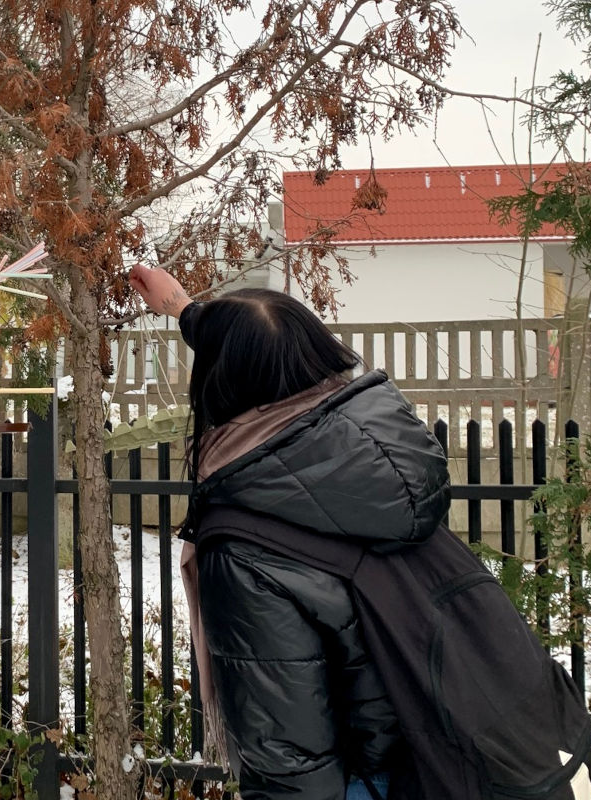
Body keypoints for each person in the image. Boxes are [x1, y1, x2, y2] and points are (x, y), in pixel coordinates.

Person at [128, 265, 451, 800]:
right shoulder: (385, 468)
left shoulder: (246, 546)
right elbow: (263, 357)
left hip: (362, 783)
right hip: (438, 759)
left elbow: (290, 766)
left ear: (222, 385)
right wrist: (184, 308)